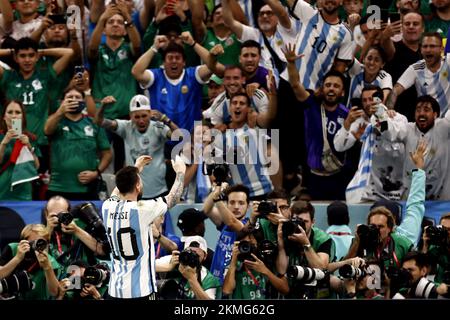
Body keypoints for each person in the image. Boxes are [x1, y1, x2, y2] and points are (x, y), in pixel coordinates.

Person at [101, 154, 186, 300]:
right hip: (140, 292)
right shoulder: (142, 209)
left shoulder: (107, 206)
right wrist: (180, 173)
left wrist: (136, 169)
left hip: (115, 290)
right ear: (138, 185)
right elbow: (174, 198)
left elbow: (117, 191)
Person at [345, 140, 427, 273]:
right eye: (373, 226)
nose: (376, 230)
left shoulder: (404, 238)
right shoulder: (362, 239)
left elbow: (415, 204)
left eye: (381, 226)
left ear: (391, 227)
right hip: (369, 288)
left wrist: (419, 170)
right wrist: (357, 242)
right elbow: (343, 270)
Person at [284, 43, 351, 200]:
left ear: (342, 92)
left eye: (336, 86)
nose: (331, 89)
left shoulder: (348, 114)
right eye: (328, 85)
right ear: (322, 88)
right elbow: (295, 85)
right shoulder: (311, 104)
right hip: (314, 176)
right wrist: (291, 63)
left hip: (339, 176)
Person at [95, 94, 178, 199]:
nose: (141, 121)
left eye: (144, 116)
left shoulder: (158, 125)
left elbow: (179, 136)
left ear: (150, 113)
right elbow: (99, 121)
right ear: (130, 116)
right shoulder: (126, 126)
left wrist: (166, 119)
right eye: (137, 117)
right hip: (134, 192)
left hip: (158, 191)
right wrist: (103, 106)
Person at [334, 85, 407, 203]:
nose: (368, 103)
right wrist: (347, 123)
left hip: (393, 185)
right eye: (364, 100)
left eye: (371, 99)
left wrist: (381, 116)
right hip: (369, 186)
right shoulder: (359, 122)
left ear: (380, 99)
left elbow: (391, 133)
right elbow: (339, 146)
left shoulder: (396, 117)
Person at [44, 87, 112, 200]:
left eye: (78, 97)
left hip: (87, 188)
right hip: (58, 187)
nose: (74, 100)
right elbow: (47, 130)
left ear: (84, 102)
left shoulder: (93, 123)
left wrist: (96, 173)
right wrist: (60, 111)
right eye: (70, 97)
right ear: (62, 102)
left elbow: (107, 154)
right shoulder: (56, 121)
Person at [384, 95, 450, 200]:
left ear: (435, 115)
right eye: (418, 110)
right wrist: (381, 115)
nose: (421, 113)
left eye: (426, 110)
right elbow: (388, 132)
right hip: (412, 196)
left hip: (441, 199)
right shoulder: (407, 129)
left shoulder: (445, 127)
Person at [276, 200, 335, 298]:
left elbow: (321, 268)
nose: (300, 226)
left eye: (305, 222)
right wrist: (281, 243)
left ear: (313, 222)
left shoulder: (322, 239)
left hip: (318, 291)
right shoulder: (288, 234)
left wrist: (306, 243)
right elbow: (281, 270)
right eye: (297, 221)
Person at [386, 32, 450, 116]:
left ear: (441, 49)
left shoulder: (448, 61)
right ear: (421, 49)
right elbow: (395, 90)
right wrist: (389, 109)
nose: (428, 50)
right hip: (426, 122)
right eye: (425, 46)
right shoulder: (416, 68)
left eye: (432, 46)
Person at [0, 224, 60, 300]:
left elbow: (54, 292)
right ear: (23, 242)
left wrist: (47, 267)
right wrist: (17, 258)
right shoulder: (13, 249)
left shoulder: (49, 260)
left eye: (42, 242)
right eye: (33, 242)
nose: (38, 246)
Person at [383, 11, 424, 121]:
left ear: (423, 28)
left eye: (415, 24)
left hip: (423, 115)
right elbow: (385, 44)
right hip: (397, 116)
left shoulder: (428, 51)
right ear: (401, 28)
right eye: (407, 24)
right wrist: (386, 36)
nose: (411, 27)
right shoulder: (393, 49)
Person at [223, 231, 289, 299]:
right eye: (244, 244)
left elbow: (285, 289)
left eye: (251, 240)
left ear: (256, 242)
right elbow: (227, 290)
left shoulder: (266, 259)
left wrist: (265, 271)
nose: (248, 248)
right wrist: (233, 261)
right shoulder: (234, 263)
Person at [0, 100, 39, 200]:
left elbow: (36, 166)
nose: (14, 116)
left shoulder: (30, 138)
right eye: (10, 112)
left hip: (23, 193)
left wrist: (29, 146)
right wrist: (4, 143)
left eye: (18, 112)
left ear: (22, 117)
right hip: (2, 192)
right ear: (4, 117)